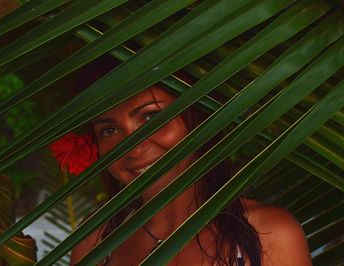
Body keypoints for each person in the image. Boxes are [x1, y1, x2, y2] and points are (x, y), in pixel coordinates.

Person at [62, 83, 312, 266]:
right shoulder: (96, 240)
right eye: (109, 130)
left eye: (151, 116)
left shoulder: (268, 233)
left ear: (196, 118)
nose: (133, 147)